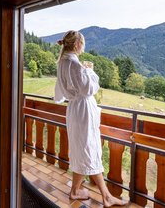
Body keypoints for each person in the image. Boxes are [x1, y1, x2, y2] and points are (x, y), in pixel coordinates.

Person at [54, 30, 127, 207]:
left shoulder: (62, 62)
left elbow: (62, 90)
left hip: (73, 110)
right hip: (83, 111)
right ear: (78, 44)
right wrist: (90, 72)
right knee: (89, 149)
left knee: (81, 149)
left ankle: (75, 191)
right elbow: (89, 89)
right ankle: (107, 196)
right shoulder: (75, 64)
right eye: (82, 43)